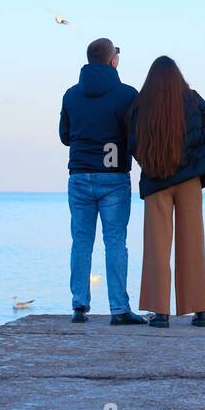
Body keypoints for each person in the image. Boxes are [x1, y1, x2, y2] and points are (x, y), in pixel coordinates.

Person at [58, 38, 147, 325]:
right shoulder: (127, 95)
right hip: (114, 178)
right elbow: (136, 137)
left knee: (81, 243)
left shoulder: (71, 95)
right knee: (115, 243)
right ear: (113, 61)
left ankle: (79, 306)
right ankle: (119, 308)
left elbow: (64, 136)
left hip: (80, 175)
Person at [128, 56, 205, 328]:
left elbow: (132, 141)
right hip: (189, 178)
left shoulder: (140, 103)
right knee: (193, 243)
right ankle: (200, 310)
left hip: (157, 180)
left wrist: (152, 160)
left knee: (156, 247)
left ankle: (161, 312)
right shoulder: (192, 98)